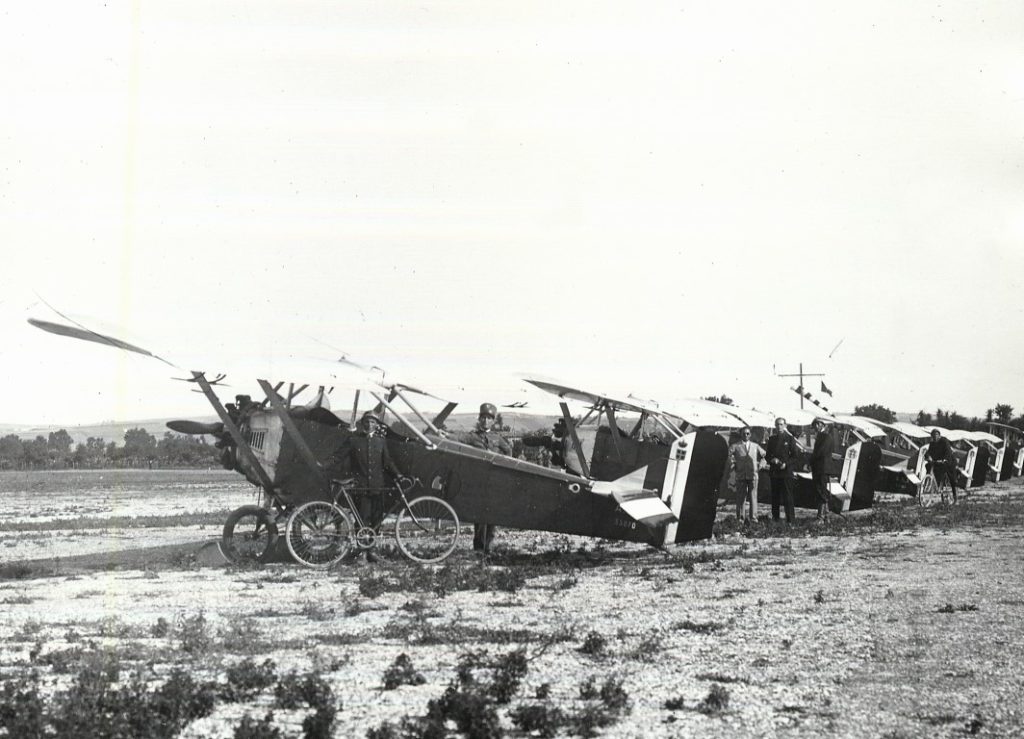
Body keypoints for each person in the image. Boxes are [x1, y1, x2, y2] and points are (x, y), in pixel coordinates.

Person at [331, 411, 407, 537]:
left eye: (372, 422)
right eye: (366, 421)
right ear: (362, 423)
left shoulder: (381, 441)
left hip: (377, 487)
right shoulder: (354, 440)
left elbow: (387, 462)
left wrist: (398, 475)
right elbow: (338, 456)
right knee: (362, 519)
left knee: (377, 520)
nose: (369, 424)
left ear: (377, 425)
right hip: (361, 487)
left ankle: (371, 549)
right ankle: (361, 551)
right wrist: (323, 465)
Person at [457, 403, 512, 553]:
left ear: (493, 421)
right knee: (480, 515)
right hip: (479, 481)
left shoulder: (497, 438)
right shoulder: (473, 436)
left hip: (494, 482)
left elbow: (508, 451)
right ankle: (479, 548)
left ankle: (489, 547)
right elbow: (459, 439)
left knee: (492, 515)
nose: (486, 421)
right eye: (483, 418)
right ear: (479, 419)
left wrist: (502, 467)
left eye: (489, 418)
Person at [765, 417, 800, 523]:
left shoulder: (790, 439)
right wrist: (772, 460)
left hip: (786, 472)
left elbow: (795, 456)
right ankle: (776, 519)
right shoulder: (772, 439)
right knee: (775, 497)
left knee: (788, 497)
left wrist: (786, 464)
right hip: (775, 472)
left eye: (781, 424)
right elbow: (767, 456)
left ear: (785, 425)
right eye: (777, 424)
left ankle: (791, 520)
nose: (779, 427)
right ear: (775, 426)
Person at [729, 427, 766, 522]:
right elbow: (729, 456)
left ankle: (753, 517)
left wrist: (762, 463)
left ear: (750, 435)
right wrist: (733, 464)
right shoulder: (735, 446)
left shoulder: (755, 446)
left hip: (753, 474)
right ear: (741, 434)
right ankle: (740, 518)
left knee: (753, 495)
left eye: (748, 433)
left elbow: (764, 455)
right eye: (744, 433)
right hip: (741, 474)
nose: (746, 435)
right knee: (741, 497)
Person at [810, 418, 835, 520]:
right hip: (820, 467)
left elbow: (819, 452)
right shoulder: (824, 436)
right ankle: (826, 516)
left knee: (821, 491)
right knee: (821, 490)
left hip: (822, 468)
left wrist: (810, 461)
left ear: (820, 424)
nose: (815, 429)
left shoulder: (825, 436)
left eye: (816, 426)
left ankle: (821, 516)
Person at [925, 428, 959, 502]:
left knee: (951, 478)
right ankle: (928, 481)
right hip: (938, 461)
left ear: (939, 435)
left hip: (949, 461)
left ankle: (954, 495)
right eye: (933, 435)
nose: (935, 437)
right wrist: (928, 456)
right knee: (928, 465)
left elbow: (948, 451)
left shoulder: (944, 441)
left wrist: (944, 459)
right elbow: (928, 452)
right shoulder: (932, 443)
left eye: (936, 435)